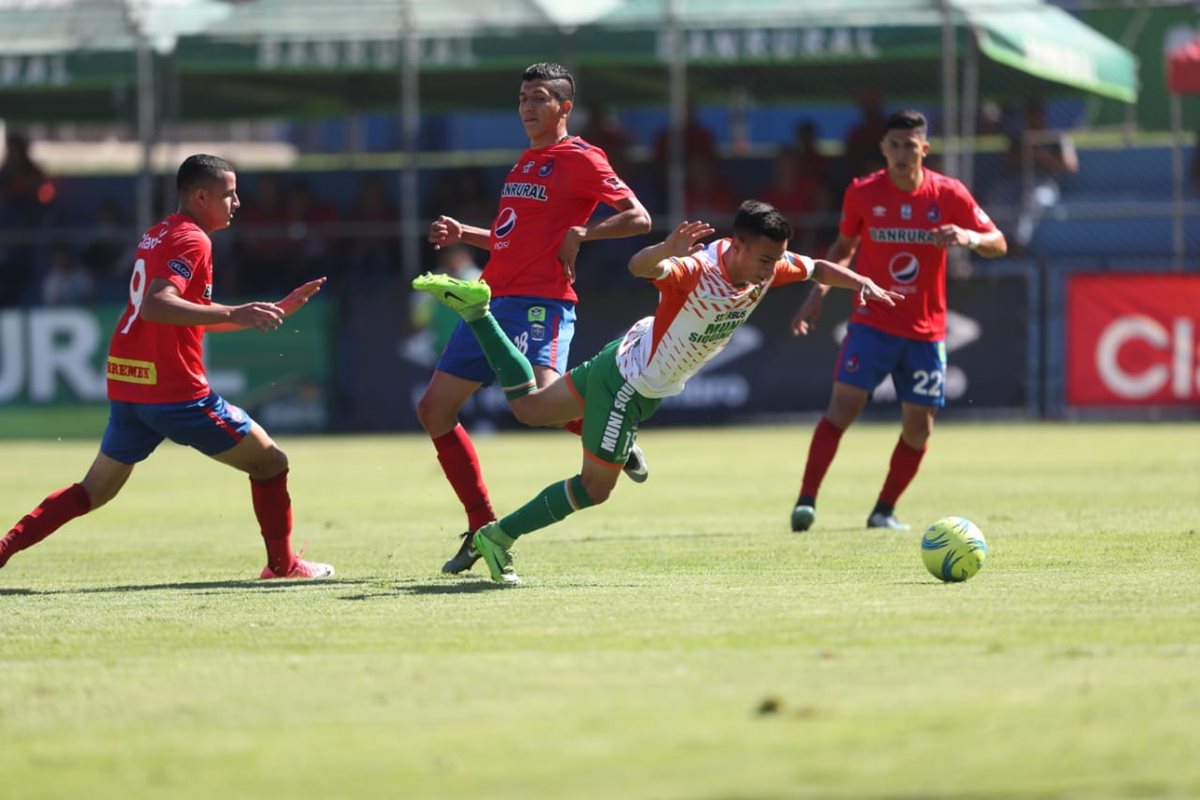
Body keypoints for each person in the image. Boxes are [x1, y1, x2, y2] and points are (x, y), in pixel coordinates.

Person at [412, 200, 902, 584]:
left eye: (776, 259)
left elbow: (816, 267)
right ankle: (499, 537)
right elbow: (640, 267)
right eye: (765, 259)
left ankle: (479, 314)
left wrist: (860, 280)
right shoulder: (697, 271)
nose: (772, 269)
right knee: (594, 489)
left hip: (624, 360)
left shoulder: (767, 266)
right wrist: (667, 249)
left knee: (530, 408)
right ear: (737, 244)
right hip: (629, 386)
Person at [0, 154, 333, 579]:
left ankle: (4, 548)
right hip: (174, 393)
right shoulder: (194, 240)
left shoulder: (159, 232)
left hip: (131, 382)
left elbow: (183, 313)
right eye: (229, 194)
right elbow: (157, 304)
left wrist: (265, 311)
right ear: (201, 196)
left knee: (94, 490)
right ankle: (282, 567)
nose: (237, 203)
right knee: (271, 463)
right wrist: (237, 311)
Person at [419, 62, 652, 576]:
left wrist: (584, 233)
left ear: (564, 107)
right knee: (434, 410)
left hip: (539, 304)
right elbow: (512, 241)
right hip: (490, 303)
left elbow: (640, 218)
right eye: (523, 98)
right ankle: (481, 525)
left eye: (539, 98)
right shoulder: (526, 162)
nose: (527, 107)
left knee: (538, 407)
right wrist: (465, 233)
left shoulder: (581, 156)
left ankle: (614, 434)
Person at [788, 110, 1008, 533]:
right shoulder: (863, 192)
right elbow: (844, 248)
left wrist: (969, 237)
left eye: (910, 145)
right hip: (872, 323)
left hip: (925, 332)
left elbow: (997, 242)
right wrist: (818, 295)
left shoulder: (949, 194)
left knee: (919, 429)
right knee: (842, 408)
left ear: (925, 148)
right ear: (883, 148)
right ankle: (806, 501)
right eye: (894, 145)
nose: (902, 153)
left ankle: (883, 511)